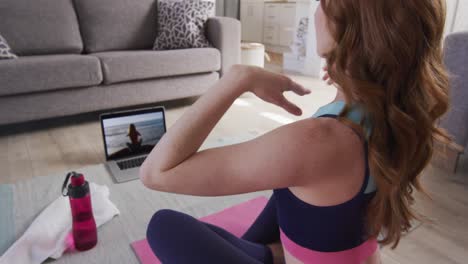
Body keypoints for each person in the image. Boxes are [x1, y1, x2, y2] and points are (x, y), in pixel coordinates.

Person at [139, 0, 451, 263]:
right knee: (287, 188)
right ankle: (271, 254)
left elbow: (157, 172)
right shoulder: (396, 110)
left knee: (163, 225)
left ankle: (269, 255)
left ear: (350, 29)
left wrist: (237, 78)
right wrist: (347, 74)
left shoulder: (317, 140)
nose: (315, 10)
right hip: (351, 251)